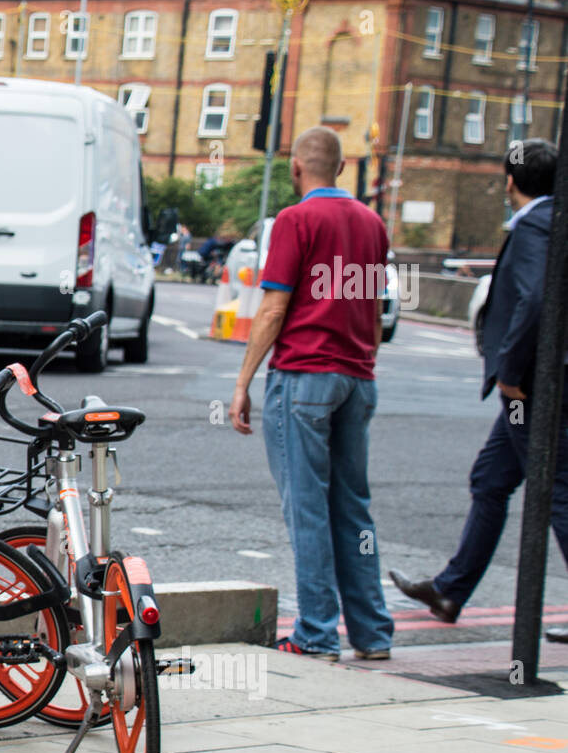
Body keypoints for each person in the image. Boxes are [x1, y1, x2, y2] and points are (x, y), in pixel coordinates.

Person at [390, 139, 568, 644]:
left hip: (532, 385)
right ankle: (450, 590)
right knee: (491, 478)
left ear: (511, 181)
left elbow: (534, 299)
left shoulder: (536, 222)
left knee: (557, 489)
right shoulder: (556, 215)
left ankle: (451, 588)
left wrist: (510, 371)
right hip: (537, 385)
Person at [229, 126, 395, 661]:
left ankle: (317, 633)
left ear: (297, 169)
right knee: (352, 508)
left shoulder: (296, 221)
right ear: (342, 169)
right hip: (357, 378)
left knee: (307, 509)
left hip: (303, 378)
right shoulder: (372, 223)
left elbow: (274, 308)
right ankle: (371, 633)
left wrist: (242, 383)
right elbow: (372, 312)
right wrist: (362, 362)